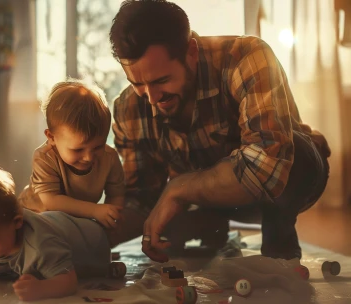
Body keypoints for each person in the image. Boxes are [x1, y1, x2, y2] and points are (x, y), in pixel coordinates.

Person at [107, 0, 331, 263]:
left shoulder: (246, 56)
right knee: (165, 226)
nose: (152, 98)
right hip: (215, 200)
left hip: (290, 182)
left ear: (191, 51)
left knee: (295, 154)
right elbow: (142, 200)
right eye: (137, 84)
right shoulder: (128, 109)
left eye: (162, 80)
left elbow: (267, 166)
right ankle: (207, 224)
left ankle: (279, 244)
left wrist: (178, 189)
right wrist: (84, 234)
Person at [0, 160, 126, 302]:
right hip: (55, 227)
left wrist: (41, 288)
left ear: (17, 222)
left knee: (92, 269)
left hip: (92, 242)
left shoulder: (41, 244)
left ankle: (110, 267)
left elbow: (68, 281)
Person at [18, 79, 125, 229]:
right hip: (33, 219)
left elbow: (117, 193)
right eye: (78, 150)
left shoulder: (110, 157)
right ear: (51, 137)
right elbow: (51, 200)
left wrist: (110, 219)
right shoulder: (45, 157)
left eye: (98, 146)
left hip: (71, 223)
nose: (89, 157)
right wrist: (94, 211)